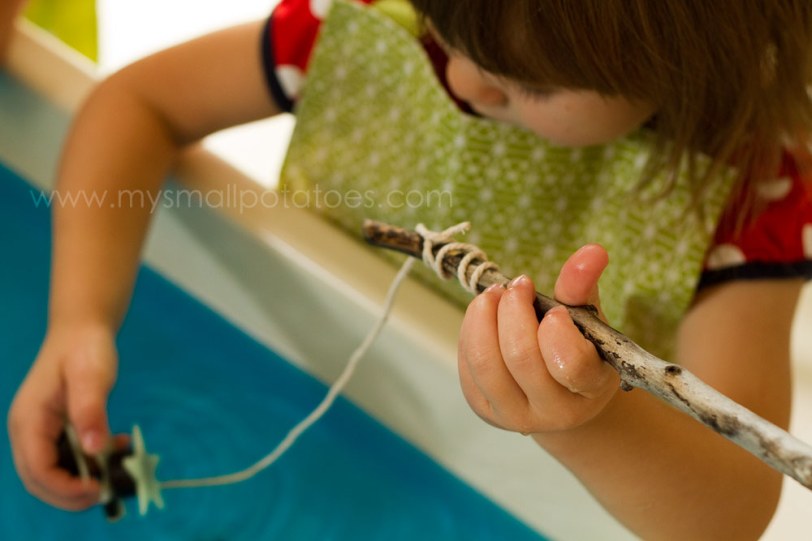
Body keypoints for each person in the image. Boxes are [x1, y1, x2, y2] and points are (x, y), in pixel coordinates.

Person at [7, 0, 812, 538]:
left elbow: (731, 510)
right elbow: (137, 105)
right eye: (441, 26)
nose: (459, 81)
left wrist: (590, 421)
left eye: (528, 82)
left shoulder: (751, 194)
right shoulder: (367, 28)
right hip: (314, 386)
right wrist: (82, 317)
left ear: (697, 63)